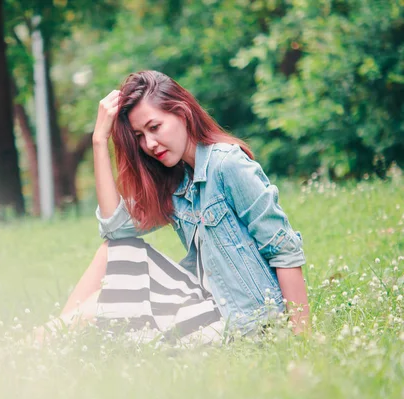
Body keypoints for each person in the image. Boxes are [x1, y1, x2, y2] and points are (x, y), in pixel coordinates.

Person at [47, 70, 309, 345]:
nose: (148, 144)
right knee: (112, 251)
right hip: (209, 303)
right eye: (139, 135)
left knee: (102, 303)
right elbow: (115, 230)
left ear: (182, 113)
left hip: (245, 321)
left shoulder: (227, 165)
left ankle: (40, 345)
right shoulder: (177, 183)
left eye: (154, 127)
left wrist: (301, 342)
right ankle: (53, 341)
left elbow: (284, 250)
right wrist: (99, 141)